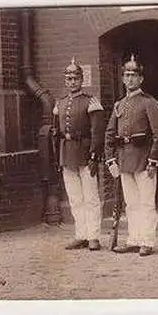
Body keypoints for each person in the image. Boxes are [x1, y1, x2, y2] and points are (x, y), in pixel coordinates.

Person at [104, 54, 158, 257]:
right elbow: (109, 133)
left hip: (144, 159)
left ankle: (147, 241)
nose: (130, 79)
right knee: (131, 203)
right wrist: (110, 158)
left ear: (141, 79)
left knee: (146, 202)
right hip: (124, 160)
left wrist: (153, 160)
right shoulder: (119, 105)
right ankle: (134, 238)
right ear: (122, 78)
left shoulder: (149, 103)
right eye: (127, 75)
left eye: (134, 75)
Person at [53, 57, 105, 251]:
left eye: (75, 78)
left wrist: (94, 155)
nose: (72, 82)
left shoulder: (90, 101)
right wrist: (58, 156)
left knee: (90, 197)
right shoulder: (60, 103)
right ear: (65, 81)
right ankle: (81, 234)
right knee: (75, 198)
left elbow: (97, 132)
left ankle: (93, 236)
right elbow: (55, 133)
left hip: (85, 153)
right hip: (67, 155)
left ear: (82, 80)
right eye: (68, 78)